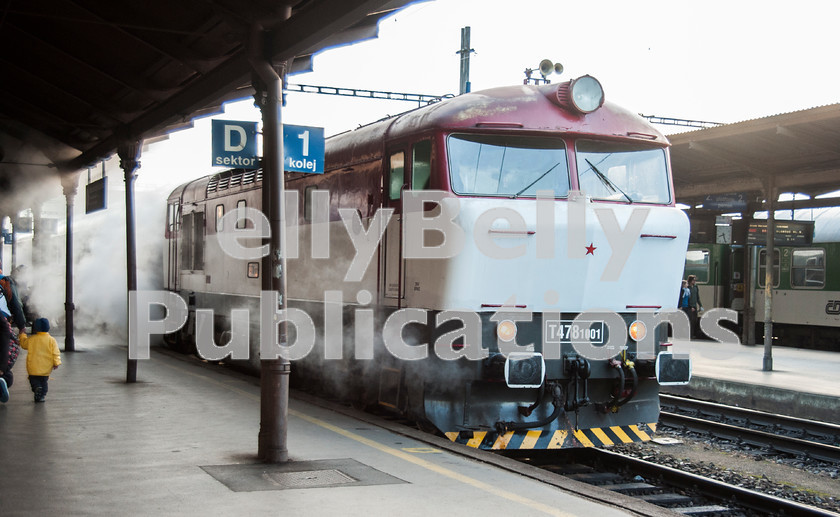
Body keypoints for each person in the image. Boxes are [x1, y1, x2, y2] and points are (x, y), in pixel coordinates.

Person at [0, 261, 27, 403]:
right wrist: (22, 325)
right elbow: (16, 303)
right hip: (2, 321)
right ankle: (3, 377)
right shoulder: (5, 281)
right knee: (6, 350)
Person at [19, 318, 61, 403]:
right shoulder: (51, 340)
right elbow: (55, 352)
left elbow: (23, 344)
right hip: (45, 368)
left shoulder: (32, 339)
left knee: (33, 381)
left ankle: (36, 388)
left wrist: (22, 335)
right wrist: (56, 363)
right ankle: (42, 396)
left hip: (33, 367)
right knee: (44, 382)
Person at [686, 274, 703, 339]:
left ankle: (692, 334)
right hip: (689, 307)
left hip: (694, 306)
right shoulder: (687, 288)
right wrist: (690, 307)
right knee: (690, 320)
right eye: (694, 280)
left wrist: (700, 305)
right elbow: (687, 298)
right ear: (690, 281)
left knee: (694, 321)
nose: (695, 281)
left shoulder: (696, 287)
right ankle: (690, 335)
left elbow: (697, 297)